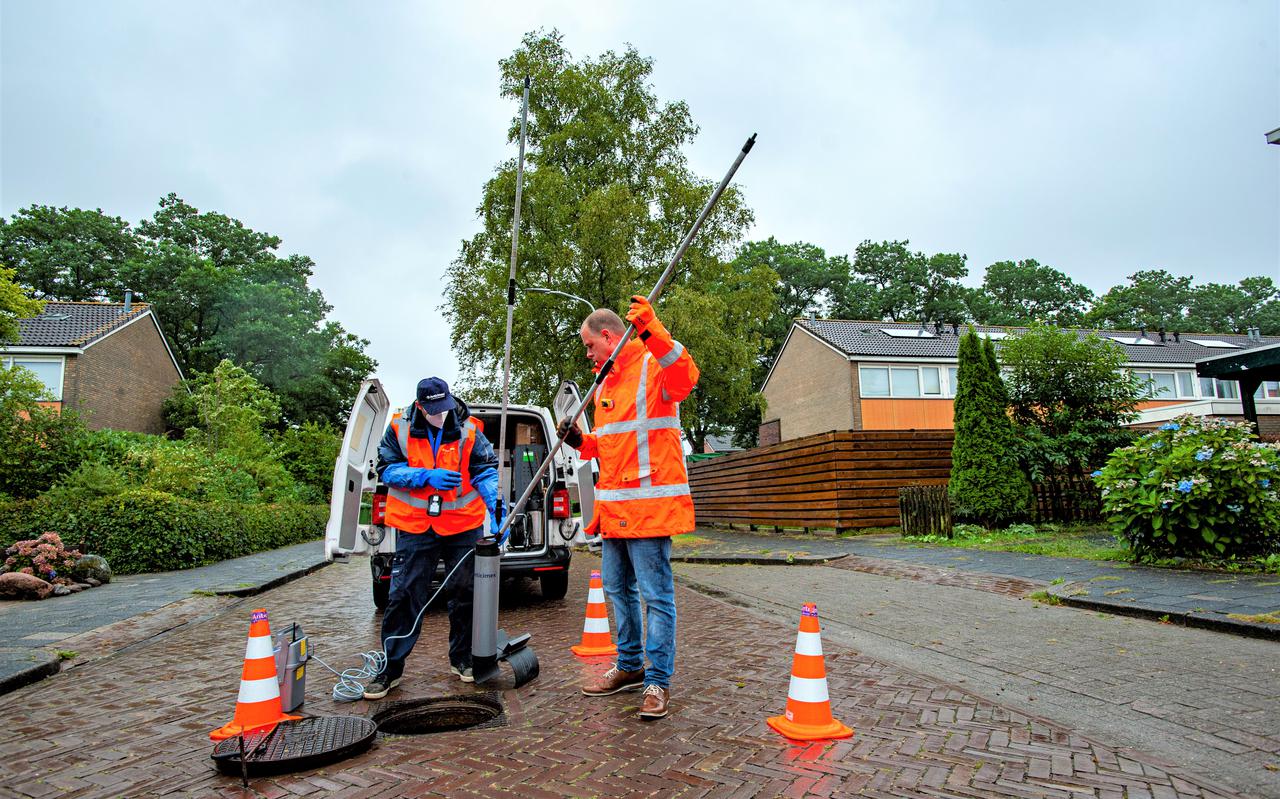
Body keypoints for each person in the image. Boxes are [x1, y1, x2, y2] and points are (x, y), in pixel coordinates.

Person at [558, 295, 700, 720]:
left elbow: (686, 375)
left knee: (657, 597)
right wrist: (581, 442)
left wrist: (654, 329)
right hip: (616, 509)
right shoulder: (605, 384)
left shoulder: (653, 364)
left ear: (607, 336)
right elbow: (612, 444)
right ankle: (630, 665)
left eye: (589, 345)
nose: (587, 354)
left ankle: (658, 680)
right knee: (618, 590)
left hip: (649, 510)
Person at [363, 377, 504, 699]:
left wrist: (495, 504)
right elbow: (386, 470)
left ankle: (463, 659)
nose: (442, 416)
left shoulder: (469, 429)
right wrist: (426, 476)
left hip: (463, 526)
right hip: (414, 527)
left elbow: (485, 469)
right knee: (404, 595)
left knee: (466, 592)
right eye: (435, 411)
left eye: (446, 408)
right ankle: (390, 668)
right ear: (420, 407)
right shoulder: (398, 427)